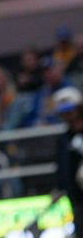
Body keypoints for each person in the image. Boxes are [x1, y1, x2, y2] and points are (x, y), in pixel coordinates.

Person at [52, 86, 83, 228]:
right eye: (64, 112)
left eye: (71, 111)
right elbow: (61, 167)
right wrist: (58, 187)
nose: (68, 115)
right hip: (77, 200)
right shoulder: (63, 139)